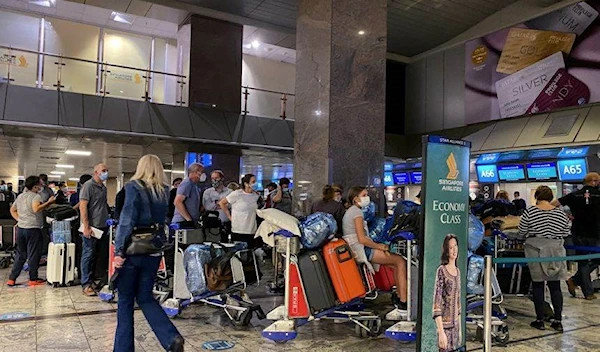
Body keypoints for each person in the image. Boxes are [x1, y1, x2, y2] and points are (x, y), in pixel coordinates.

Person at [112, 154, 184, 352]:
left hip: (133, 250)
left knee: (125, 299)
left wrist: (119, 250)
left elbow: (127, 220)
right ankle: (171, 338)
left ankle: (123, 349)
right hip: (153, 250)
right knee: (145, 297)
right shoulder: (163, 191)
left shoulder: (133, 187)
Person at [342, 186, 408, 310]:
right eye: (364, 195)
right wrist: (380, 247)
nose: (367, 198)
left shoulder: (351, 211)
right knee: (400, 262)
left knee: (395, 265)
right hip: (362, 250)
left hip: (356, 249)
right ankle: (403, 301)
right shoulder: (356, 212)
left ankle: (400, 296)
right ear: (356, 199)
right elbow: (362, 239)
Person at [519, 186, 570, 332]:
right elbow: (566, 231)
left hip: (535, 250)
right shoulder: (560, 213)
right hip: (556, 250)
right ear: (550, 196)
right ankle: (558, 321)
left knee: (538, 285)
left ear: (536, 196)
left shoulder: (530, 211)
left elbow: (522, 231)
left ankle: (540, 320)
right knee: (555, 286)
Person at [553, 172, 600, 300]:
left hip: (578, 232)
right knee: (596, 260)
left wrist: (566, 216)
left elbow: (553, 204)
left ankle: (575, 281)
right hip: (596, 232)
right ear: (595, 181)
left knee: (583, 261)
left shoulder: (574, 195)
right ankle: (587, 291)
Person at [6, 176, 55, 287]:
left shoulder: (20, 196)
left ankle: (12, 279)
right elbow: (36, 209)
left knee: (20, 254)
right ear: (35, 186)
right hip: (33, 229)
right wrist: (48, 202)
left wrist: (19, 219)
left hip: (21, 228)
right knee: (33, 254)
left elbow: (12, 210)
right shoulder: (36, 196)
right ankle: (33, 279)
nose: (41, 186)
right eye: (40, 184)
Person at [80, 163, 110, 296]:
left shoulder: (103, 188)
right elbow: (83, 206)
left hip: (103, 226)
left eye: (107, 170)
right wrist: (86, 226)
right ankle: (86, 284)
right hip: (91, 228)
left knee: (99, 255)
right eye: (103, 170)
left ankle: (96, 280)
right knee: (88, 254)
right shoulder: (88, 186)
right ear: (96, 172)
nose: (106, 173)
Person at [433, 234, 461, 352]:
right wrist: (441, 332)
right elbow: (437, 302)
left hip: (455, 326)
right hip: (444, 326)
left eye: (455, 246)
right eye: (450, 247)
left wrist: (460, 329)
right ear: (446, 250)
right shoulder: (441, 271)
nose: (454, 250)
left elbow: (458, 303)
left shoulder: (458, 271)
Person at [219, 174, 259, 249]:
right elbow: (222, 203)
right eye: (253, 182)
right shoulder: (237, 194)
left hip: (251, 230)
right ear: (246, 184)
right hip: (238, 229)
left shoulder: (255, 196)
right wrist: (229, 217)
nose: (255, 184)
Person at [171, 163, 206, 227]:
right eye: (201, 172)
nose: (203, 174)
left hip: (191, 222)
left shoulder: (195, 186)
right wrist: (188, 219)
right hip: (182, 222)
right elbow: (177, 202)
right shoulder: (187, 184)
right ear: (195, 172)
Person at [203, 170, 232, 239]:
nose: (214, 180)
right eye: (212, 178)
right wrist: (218, 203)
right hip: (212, 224)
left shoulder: (229, 192)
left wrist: (219, 204)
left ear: (222, 178)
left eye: (217, 178)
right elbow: (207, 207)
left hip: (226, 223)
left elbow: (230, 205)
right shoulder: (208, 192)